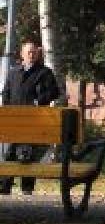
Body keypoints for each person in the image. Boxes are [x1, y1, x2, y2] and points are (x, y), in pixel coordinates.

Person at [0, 42, 62, 195]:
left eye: (34, 52)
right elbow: (6, 93)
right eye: (29, 52)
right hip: (15, 121)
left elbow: (54, 92)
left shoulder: (44, 72)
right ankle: (5, 186)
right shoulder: (14, 72)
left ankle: (27, 188)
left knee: (27, 154)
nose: (32, 55)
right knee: (10, 153)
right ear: (22, 54)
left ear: (37, 54)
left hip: (35, 121)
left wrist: (38, 101)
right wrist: (8, 111)